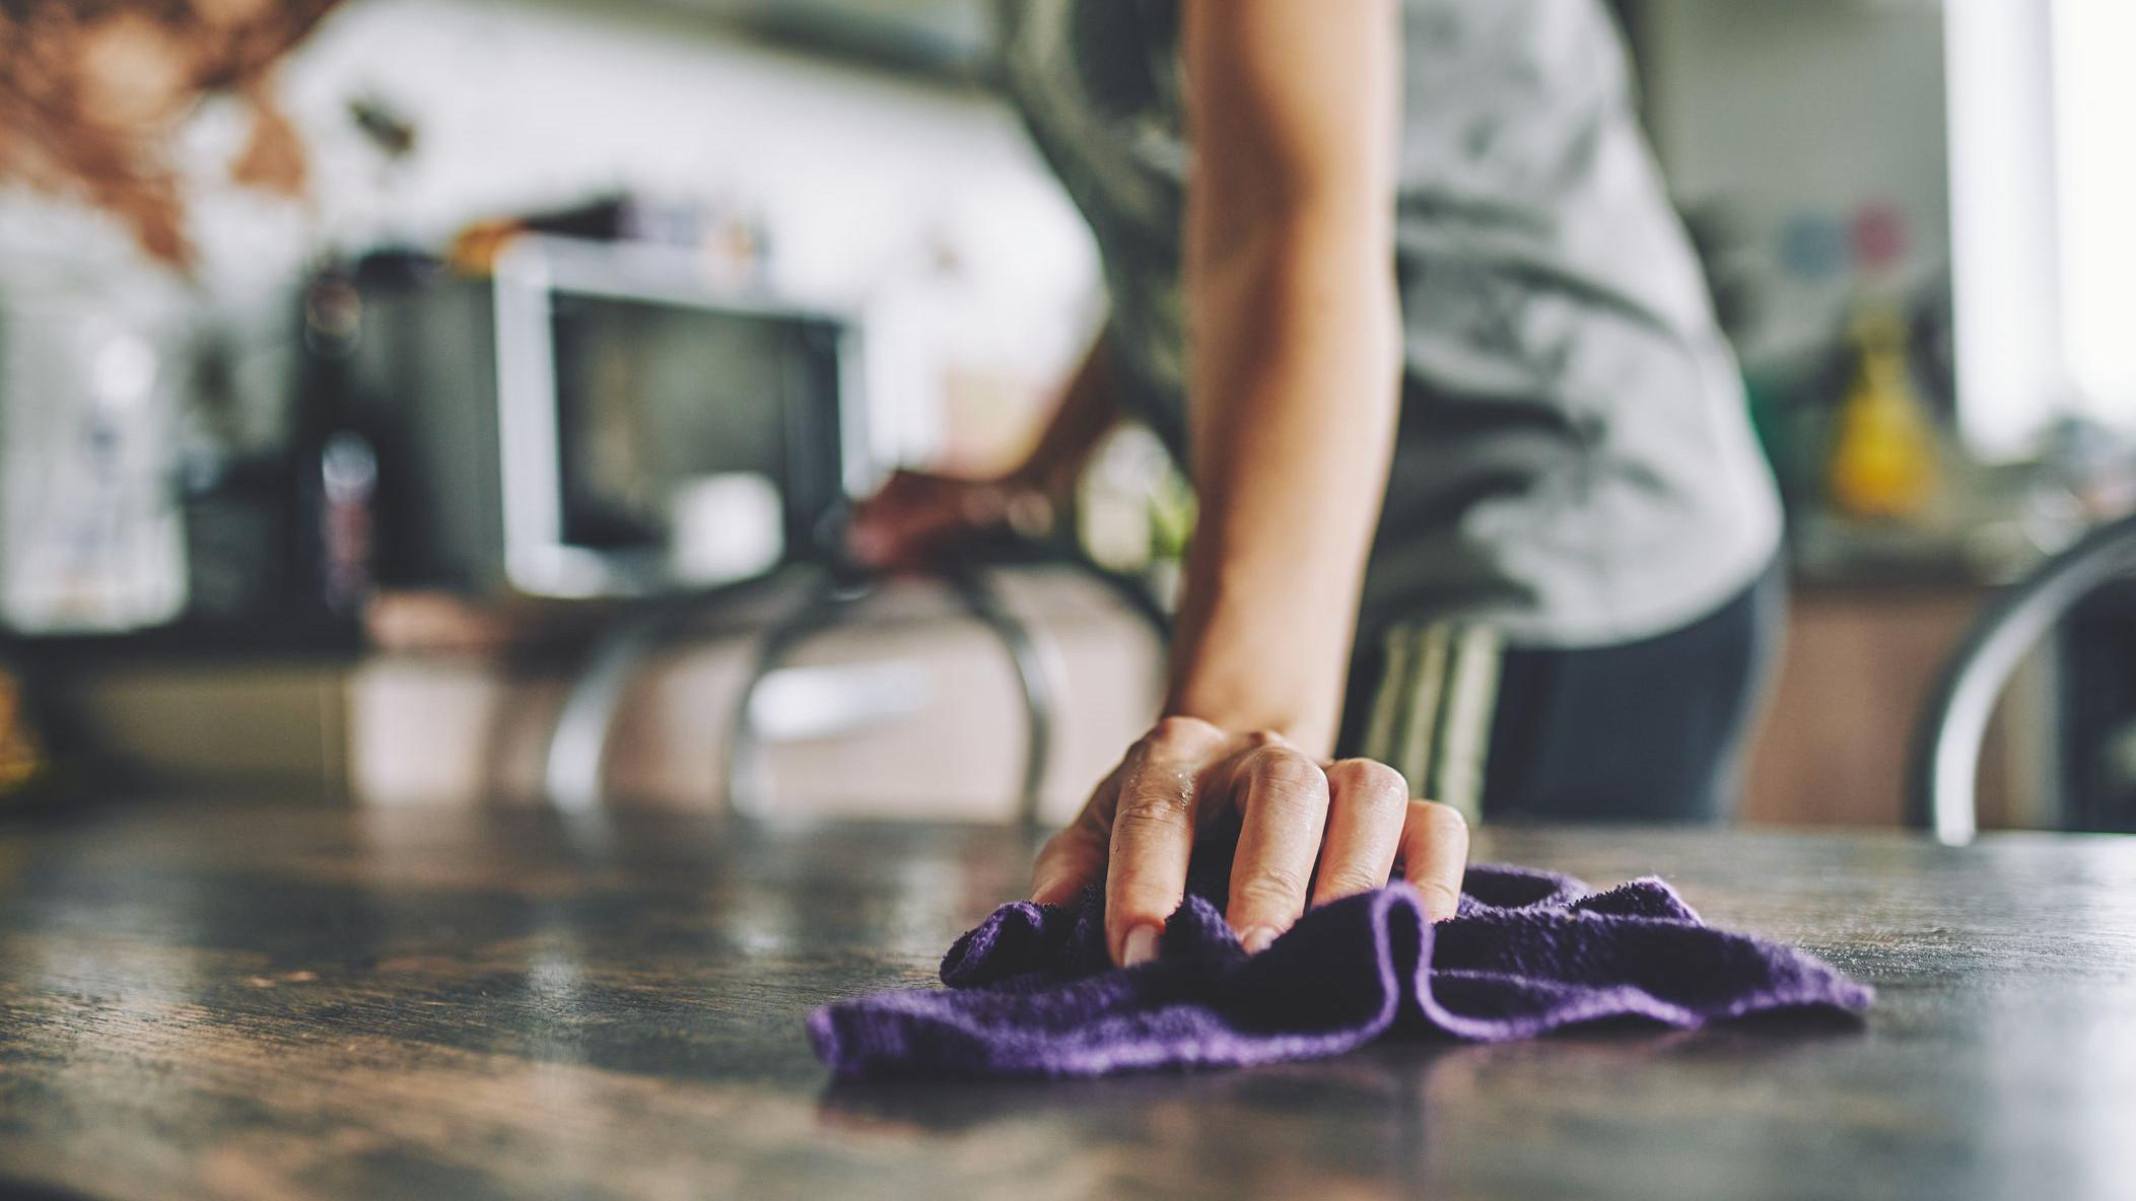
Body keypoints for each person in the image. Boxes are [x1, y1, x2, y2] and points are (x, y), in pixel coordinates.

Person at [850, 0, 1782, 970]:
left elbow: (1279, 221)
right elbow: (1188, 249)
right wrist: (1038, 469)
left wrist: (1233, 737)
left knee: (1358, 991)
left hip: (1543, 521)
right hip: (1416, 548)